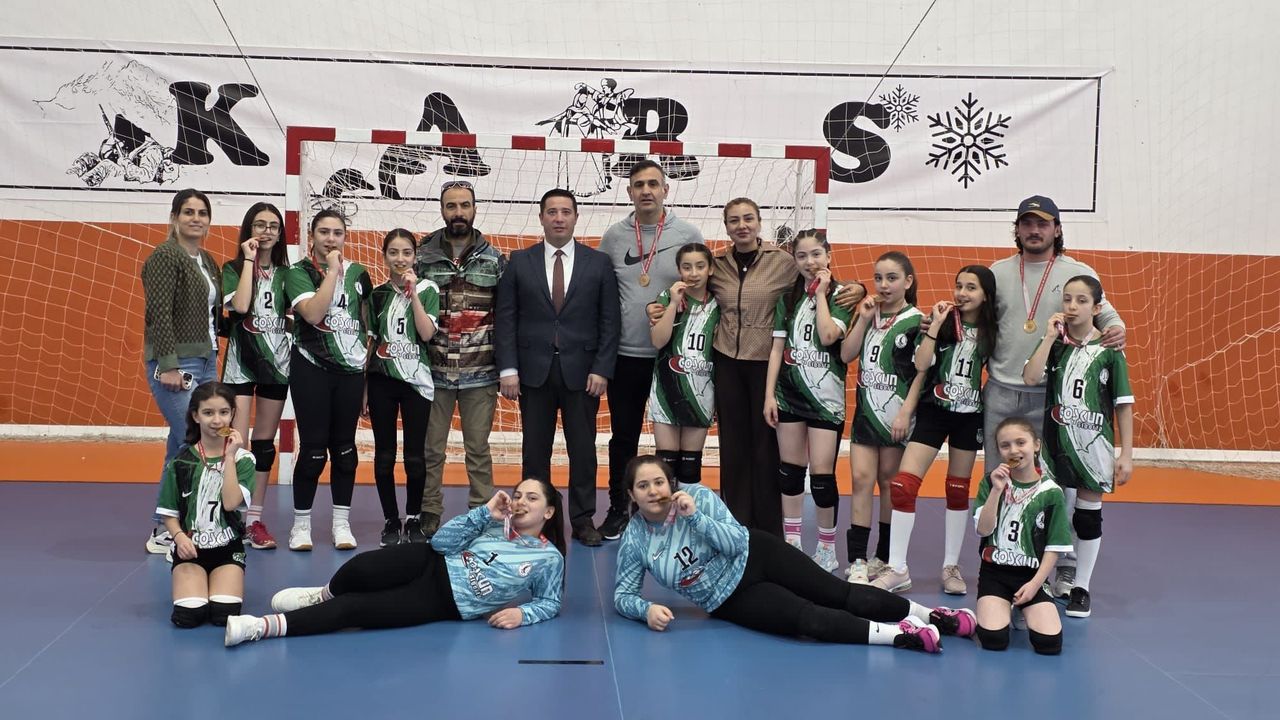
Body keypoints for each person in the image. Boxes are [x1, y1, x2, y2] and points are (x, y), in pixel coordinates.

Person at [919, 195, 1126, 599]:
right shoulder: (998, 272)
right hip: (1000, 391)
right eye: (1027, 223)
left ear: (1057, 229)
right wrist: (936, 321)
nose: (1034, 230)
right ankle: (1000, 558)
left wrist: (1117, 328)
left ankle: (1063, 566)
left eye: (1042, 224)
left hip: (1052, 396)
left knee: (1056, 483)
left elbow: (1105, 313)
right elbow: (969, 310)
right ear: (1016, 229)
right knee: (1001, 478)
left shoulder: (1077, 272)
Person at [645, 199, 863, 536]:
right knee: (733, 446)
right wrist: (654, 306)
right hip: (727, 363)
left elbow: (817, 275)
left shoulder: (783, 262)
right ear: (727, 227)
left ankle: (768, 528)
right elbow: (690, 286)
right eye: (734, 220)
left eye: (748, 218)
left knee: (765, 447)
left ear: (760, 222)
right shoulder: (717, 265)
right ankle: (735, 522)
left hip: (765, 363)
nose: (742, 225)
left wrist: (858, 288)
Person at [613, 456, 975, 652]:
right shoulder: (635, 541)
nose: (653, 491)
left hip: (757, 553)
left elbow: (735, 543)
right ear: (632, 495)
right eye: (643, 486)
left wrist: (695, 518)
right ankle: (901, 636)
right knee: (810, 621)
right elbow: (622, 595)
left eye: (658, 482)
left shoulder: (698, 498)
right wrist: (645, 610)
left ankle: (934, 615)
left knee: (840, 594)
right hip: (729, 598)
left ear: (670, 484)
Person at [224, 478, 565, 646]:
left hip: (442, 601)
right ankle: (322, 594)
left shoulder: (549, 557)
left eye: (532, 498)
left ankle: (258, 627)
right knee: (361, 568)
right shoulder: (492, 522)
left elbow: (549, 602)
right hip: (429, 560)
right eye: (518, 494)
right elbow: (441, 543)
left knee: (353, 610)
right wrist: (484, 512)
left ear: (548, 511)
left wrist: (522, 614)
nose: (520, 501)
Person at [495, 189, 621, 546]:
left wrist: (602, 368)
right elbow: (506, 318)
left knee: (583, 451)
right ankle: (535, 521)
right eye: (552, 212)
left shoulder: (599, 263)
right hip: (532, 372)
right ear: (541, 218)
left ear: (576, 217)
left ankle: (582, 520)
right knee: (535, 452)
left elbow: (610, 321)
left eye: (566, 211)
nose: (559, 218)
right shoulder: (520, 261)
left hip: (584, 373)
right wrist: (508, 369)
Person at [874, 266, 998, 595]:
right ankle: (897, 568)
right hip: (934, 410)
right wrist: (933, 329)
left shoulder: (993, 330)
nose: (962, 293)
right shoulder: (942, 321)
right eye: (959, 286)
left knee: (957, 490)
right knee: (903, 485)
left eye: (971, 287)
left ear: (986, 295)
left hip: (969, 417)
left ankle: (950, 567)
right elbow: (921, 365)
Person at [597, 160, 705, 540]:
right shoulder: (614, 237)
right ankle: (618, 508)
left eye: (653, 184)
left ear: (665, 190)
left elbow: (704, 287)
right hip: (626, 356)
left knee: (673, 446)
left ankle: (673, 511)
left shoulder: (688, 233)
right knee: (623, 438)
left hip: (673, 359)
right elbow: (600, 292)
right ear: (629, 192)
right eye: (639, 184)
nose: (646, 190)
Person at [1023, 275, 1134, 618]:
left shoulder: (1110, 351)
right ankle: (1040, 581)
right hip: (1054, 445)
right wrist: (1047, 337)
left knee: (1087, 518)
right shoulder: (1056, 344)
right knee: (1048, 513)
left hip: (1094, 447)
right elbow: (1030, 377)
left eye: (1082, 300)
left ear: (1097, 308)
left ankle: (1081, 588)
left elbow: (1123, 404)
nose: (1072, 306)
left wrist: (1126, 454)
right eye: (1068, 299)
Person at [415, 181, 505, 535]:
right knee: (431, 450)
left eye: (464, 205)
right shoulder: (421, 257)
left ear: (474, 209)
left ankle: (482, 513)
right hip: (433, 371)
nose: (458, 212)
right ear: (442, 210)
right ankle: (429, 511)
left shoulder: (495, 259)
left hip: (480, 372)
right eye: (451, 206)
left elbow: (507, 315)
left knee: (478, 450)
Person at [281, 210, 372, 551]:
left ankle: (341, 523)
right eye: (324, 232)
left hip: (350, 373)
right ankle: (301, 525)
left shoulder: (360, 275)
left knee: (345, 450)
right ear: (312, 235)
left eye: (337, 232)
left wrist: (365, 378)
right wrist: (333, 270)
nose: (331, 239)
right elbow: (313, 313)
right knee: (314, 449)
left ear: (345, 236)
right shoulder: (298, 272)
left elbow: (367, 327)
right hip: (312, 367)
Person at [763, 230, 852, 573]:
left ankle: (827, 549)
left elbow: (829, 335)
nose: (809, 262)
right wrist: (770, 395)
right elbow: (776, 350)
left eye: (816, 254)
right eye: (801, 256)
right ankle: (793, 542)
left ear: (828, 255)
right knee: (790, 472)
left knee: (822, 476)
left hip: (826, 400)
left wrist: (823, 294)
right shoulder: (787, 298)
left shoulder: (844, 295)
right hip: (789, 394)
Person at [142, 188, 221, 555]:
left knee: (179, 446)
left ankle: (164, 527)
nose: (196, 218)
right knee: (195, 441)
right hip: (177, 363)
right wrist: (169, 364)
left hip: (207, 359)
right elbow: (159, 314)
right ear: (174, 217)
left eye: (202, 213)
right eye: (188, 211)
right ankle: (184, 526)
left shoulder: (206, 260)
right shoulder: (165, 256)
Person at [839, 252, 921, 584]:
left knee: (889, 483)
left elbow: (921, 375)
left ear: (908, 281)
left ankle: (883, 557)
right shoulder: (868, 314)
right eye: (878, 278)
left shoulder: (917, 321)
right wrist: (861, 319)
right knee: (860, 479)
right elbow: (846, 354)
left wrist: (906, 413)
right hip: (866, 415)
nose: (884, 285)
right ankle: (858, 559)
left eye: (892, 278)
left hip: (895, 417)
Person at [221, 202, 291, 550]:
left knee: (264, 445)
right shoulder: (233, 268)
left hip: (276, 367)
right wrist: (249, 260)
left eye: (273, 226)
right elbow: (241, 306)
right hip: (241, 364)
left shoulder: (288, 275)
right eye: (260, 225)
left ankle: (254, 520)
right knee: (237, 443)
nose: (266, 231)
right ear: (249, 229)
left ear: (280, 234)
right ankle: (230, 515)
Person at [157, 382, 254, 628]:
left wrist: (229, 456)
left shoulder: (244, 460)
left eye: (224, 412)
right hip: (190, 551)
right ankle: (192, 580)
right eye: (208, 413)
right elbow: (169, 513)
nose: (217, 420)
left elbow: (230, 503)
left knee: (224, 616)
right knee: (188, 617)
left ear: (233, 414)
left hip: (227, 550)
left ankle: (223, 578)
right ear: (195, 416)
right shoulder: (181, 461)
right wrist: (179, 538)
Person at [972, 418, 1072, 655]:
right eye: (1005, 445)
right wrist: (997, 490)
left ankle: (1020, 608)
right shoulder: (990, 482)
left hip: (1031, 576)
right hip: (995, 573)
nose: (1014, 450)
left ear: (1036, 445)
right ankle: (1000, 605)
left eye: (1021, 442)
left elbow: (1054, 547)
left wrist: (1035, 584)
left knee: (1049, 644)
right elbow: (983, 530)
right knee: (993, 640)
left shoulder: (1051, 492)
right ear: (999, 451)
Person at [368, 229, 440, 546]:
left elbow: (426, 334)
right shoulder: (377, 295)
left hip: (417, 383)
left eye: (406, 252)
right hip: (382, 380)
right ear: (384, 257)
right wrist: (364, 389)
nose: (400, 259)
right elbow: (371, 344)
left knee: (414, 457)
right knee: (384, 455)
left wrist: (413, 294)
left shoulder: (428, 289)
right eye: (394, 252)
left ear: (415, 256)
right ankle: (390, 519)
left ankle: (413, 518)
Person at [648, 243, 719, 486]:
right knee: (666, 467)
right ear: (679, 270)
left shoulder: (718, 304)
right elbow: (658, 341)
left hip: (701, 393)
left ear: (710, 269)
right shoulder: (667, 298)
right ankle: (664, 512)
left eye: (700, 266)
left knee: (690, 468)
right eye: (687, 267)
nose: (694, 273)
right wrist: (672, 305)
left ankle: (687, 510)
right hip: (666, 391)